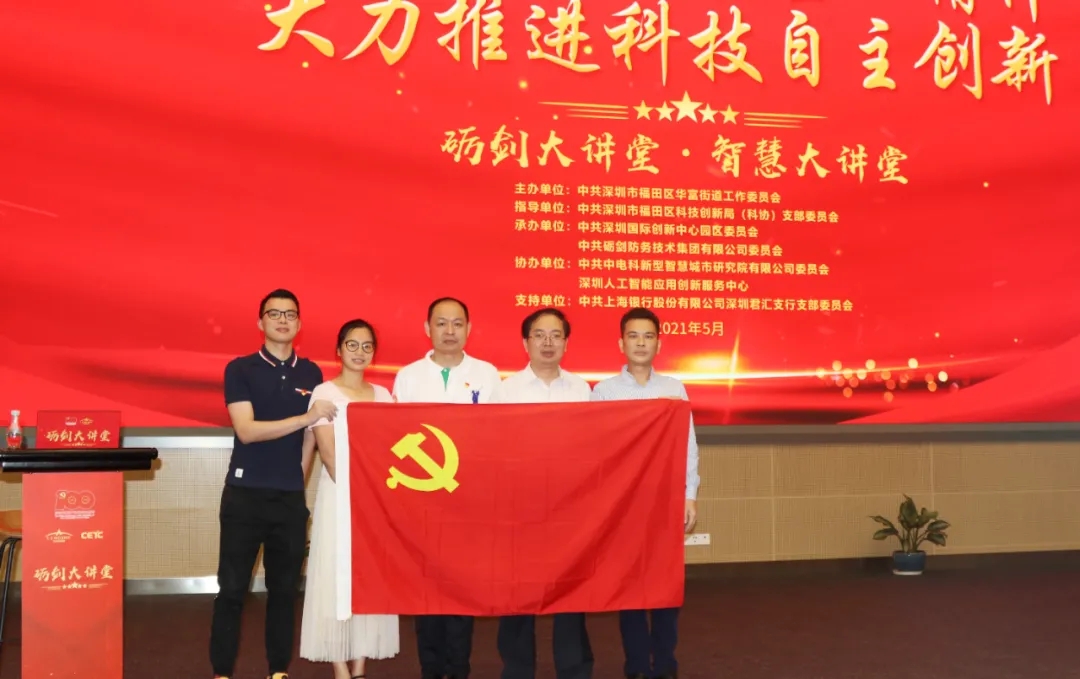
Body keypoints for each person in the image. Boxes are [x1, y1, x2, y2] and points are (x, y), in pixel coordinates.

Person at [211, 289, 337, 679]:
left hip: (288, 500)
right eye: (274, 313)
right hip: (244, 497)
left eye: (290, 314)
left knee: (284, 591)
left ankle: (278, 670)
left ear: (299, 323)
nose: (283, 320)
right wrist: (305, 418)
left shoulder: (311, 374)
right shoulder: (240, 369)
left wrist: (297, 478)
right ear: (260, 321)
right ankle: (221, 672)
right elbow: (246, 431)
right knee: (233, 590)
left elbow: (310, 438)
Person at [392, 297, 502, 679]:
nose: (450, 331)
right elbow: (396, 436)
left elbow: (499, 435)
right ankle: (430, 667)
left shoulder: (487, 374)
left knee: (461, 584)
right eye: (441, 323)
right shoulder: (408, 376)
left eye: (457, 323)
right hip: (422, 497)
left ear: (469, 329)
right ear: (428, 329)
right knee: (425, 586)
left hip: (469, 497)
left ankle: (458, 668)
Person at [590, 307, 701, 679]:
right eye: (633, 336)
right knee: (631, 587)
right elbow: (597, 451)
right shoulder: (604, 392)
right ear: (621, 343)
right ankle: (636, 664)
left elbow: (688, 445)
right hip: (624, 504)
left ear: (659, 344)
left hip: (665, 500)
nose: (640, 343)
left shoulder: (673, 388)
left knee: (665, 585)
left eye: (648, 336)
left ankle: (665, 663)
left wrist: (689, 494)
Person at [495, 308, 594, 679]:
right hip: (519, 505)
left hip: (570, 505)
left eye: (556, 335)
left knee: (570, 590)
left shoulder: (582, 389)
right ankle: (517, 668)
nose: (548, 342)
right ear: (526, 343)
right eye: (539, 335)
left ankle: (574, 667)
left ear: (566, 343)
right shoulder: (505, 391)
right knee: (518, 591)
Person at [301, 319, 399, 679]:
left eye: (367, 346)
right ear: (339, 350)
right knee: (334, 576)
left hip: (376, 501)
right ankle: (339, 665)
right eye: (352, 345)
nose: (360, 352)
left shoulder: (384, 396)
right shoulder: (324, 393)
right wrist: (361, 491)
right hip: (339, 498)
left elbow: (391, 452)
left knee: (368, 578)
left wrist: (378, 496)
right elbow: (329, 456)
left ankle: (360, 663)